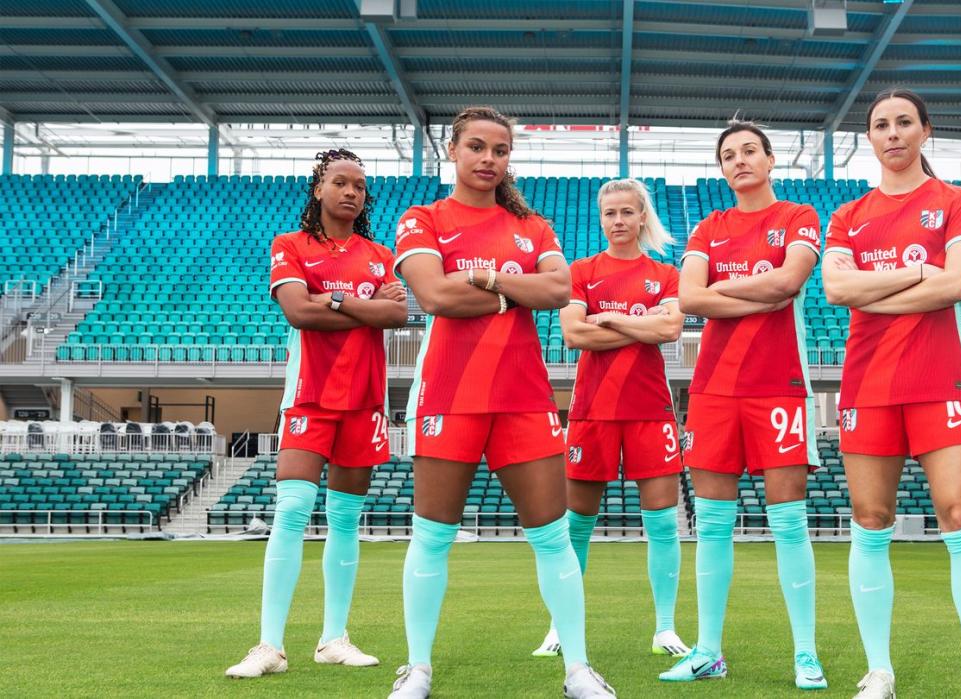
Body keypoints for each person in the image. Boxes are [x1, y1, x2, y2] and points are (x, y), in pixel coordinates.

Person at [389, 106, 615, 699]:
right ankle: (417, 668)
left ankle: (578, 670)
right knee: (432, 536)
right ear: (453, 151)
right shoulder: (423, 218)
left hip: (522, 396)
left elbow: (560, 289)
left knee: (552, 535)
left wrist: (486, 281)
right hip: (449, 393)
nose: (490, 159)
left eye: (501, 150)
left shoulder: (534, 227)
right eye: (478, 147)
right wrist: (515, 292)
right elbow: (435, 295)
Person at [821, 88, 961, 699]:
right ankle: (879, 671)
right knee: (871, 521)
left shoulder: (957, 201)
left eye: (905, 122)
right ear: (870, 138)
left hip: (939, 381)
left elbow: (957, 284)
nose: (893, 133)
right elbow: (835, 291)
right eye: (881, 124)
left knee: (960, 516)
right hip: (867, 385)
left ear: (926, 130)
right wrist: (914, 274)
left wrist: (874, 290)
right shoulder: (849, 215)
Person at [226, 149, 409, 679]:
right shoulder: (290, 245)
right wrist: (359, 306)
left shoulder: (380, 254)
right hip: (308, 397)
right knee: (292, 510)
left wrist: (329, 299)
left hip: (366, 400)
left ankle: (334, 638)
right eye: (340, 183)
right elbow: (297, 311)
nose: (351, 192)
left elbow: (397, 313)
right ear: (318, 189)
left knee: (346, 520)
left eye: (359, 186)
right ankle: (269, 646)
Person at [660, 121, 827, 691]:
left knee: (788, 523)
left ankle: (805, 652)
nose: (739, 162)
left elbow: (790, 282)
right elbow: (687, 298)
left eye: (749, 151)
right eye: (728, 155)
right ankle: (708, 650)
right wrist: (760, 287)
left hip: (778, 385)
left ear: (771, 158)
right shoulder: (710, 225)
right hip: (713, 391)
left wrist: (722, 293)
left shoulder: (799, 218)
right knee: (711, 526)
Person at [530, 177, 690, 659]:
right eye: (609, 214)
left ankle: (665, 628)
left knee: (662, 523)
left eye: (626, 212)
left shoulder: (665, 274)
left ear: (642, 216)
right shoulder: (582, 271)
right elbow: (575, 335)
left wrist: (612, 319)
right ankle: (561, 628)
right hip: (592, 412)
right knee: (576, 524)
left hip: (650, 411)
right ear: (601, 219)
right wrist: (641, 327)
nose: (617, 221)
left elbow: (672, 328)